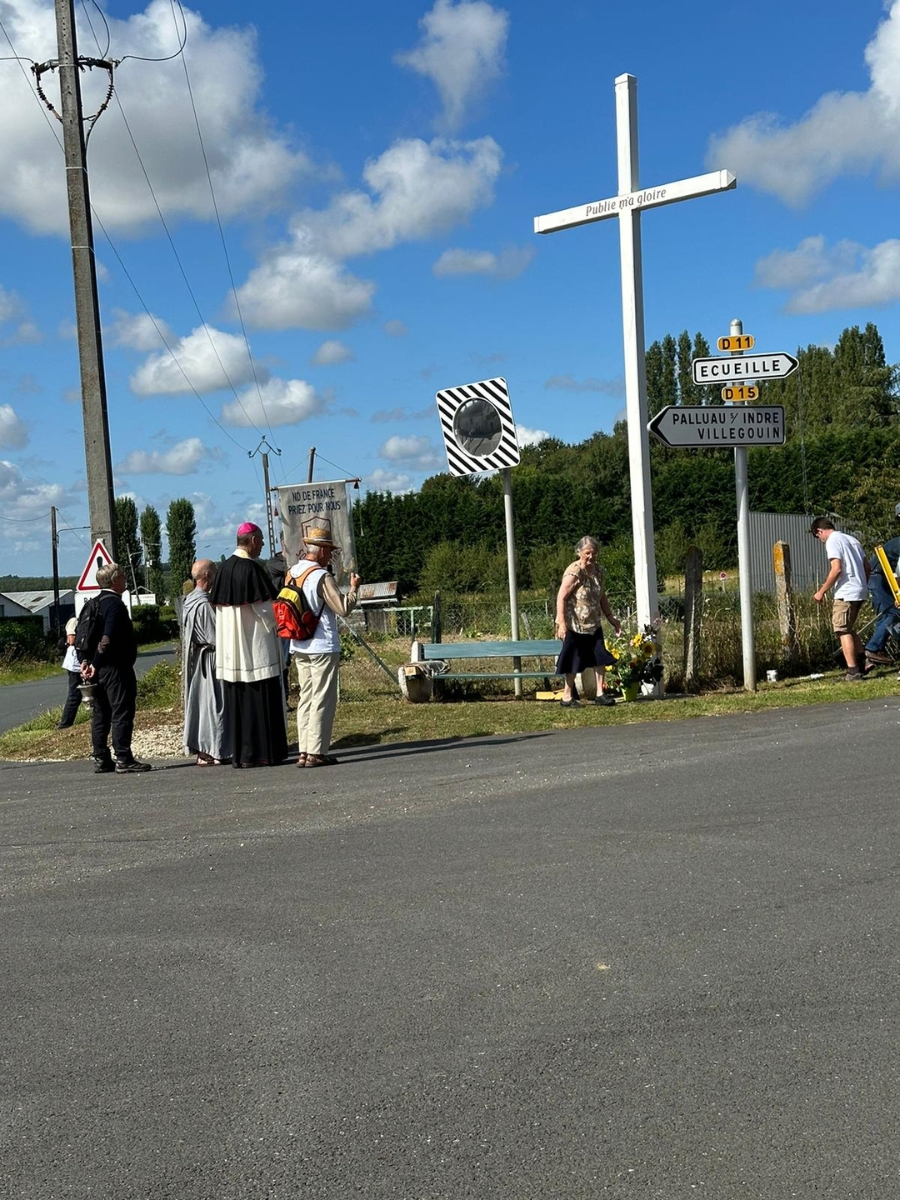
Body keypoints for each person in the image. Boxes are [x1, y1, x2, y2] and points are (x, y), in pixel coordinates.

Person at [208, 522, 288, 769]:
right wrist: (283, 616)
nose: (263, 545)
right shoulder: (252, 569)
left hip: (232, 652)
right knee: (261, 703)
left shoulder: (223, 569)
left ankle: (242, 755)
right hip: (255, 650)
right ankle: (265, 753)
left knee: (239, 706)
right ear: (252, 540)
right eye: (261, 540)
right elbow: (264, 608)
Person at [288, 526, 360, 767]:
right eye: (328, 550)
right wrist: (353, 590)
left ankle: (303, 750)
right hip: (321, 644)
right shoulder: (321, 576)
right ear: (319, 551)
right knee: (323, 699)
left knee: (305, 698)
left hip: (298, 642)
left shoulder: (292, 572)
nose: (330, 555)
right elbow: (343, 609)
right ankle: (316, 752)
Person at [80, 562, 151, 773]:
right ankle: (123, 757)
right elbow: (107, 638)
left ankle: (101, 758)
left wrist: (86, 662)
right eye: (122, 576)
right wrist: (96, 662)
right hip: (115, 668)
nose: (125, 579)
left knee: (101, 713)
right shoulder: (115, 605)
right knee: (121, 711)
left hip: (96, 670)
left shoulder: (92, 603)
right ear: (114, 580)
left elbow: (83, 636)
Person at [554, 536, 621, 707]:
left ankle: (600, 693)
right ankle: (567, 696)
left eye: (593, 553)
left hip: (594, 623)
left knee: (600, 657)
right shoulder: (574, 572)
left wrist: (611, 618)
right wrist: (561, 623)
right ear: (579, 553)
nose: (591, 557)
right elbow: (561, 597)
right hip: (575, 625)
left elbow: (601, 596)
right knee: (572, 660)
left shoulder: (598, 571)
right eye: (587, 553)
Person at [182, 559, 230, 766]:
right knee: (215, 704)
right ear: (208, 576)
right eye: (215, 572)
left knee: (202, 705)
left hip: (199, 658)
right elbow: (216, 634)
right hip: (211, 658)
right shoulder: (203, 604)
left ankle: (205, 748)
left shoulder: (189, 600)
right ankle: (215, 749)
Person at [810, 517, 870, 681]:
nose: (821, 541)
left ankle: (852, 671)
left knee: (842, 630)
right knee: (849, 627)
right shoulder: (853, 540)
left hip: (846, 592)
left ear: (819, 531)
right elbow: (867, 567)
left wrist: (821, 591)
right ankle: (864, 660)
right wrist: (863, 584)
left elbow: (836, 569)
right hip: (860, 590)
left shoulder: (832, 541)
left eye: (818, 537)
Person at [862, 504, 900, 668]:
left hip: (880, 577)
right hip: (879, 577)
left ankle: (870, 659)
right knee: (893, 612)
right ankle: (873, 648)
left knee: (886, 614)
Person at [56, 616, 82, 729]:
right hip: (75, 663)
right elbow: (71, 640)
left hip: (78, 662)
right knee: (74, 695)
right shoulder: (74, 622)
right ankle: (65, 723)